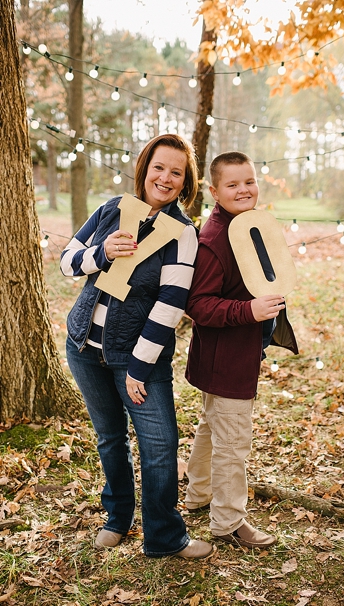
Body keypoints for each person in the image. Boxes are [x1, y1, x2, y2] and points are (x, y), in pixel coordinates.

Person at [61, 133, 213, 559]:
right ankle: (118, 517)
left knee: (160, 444)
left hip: (137, 356)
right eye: (158, 167)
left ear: (185, 183)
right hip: (83, 346)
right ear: (145, 167)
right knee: (110, 437)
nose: (164, 177)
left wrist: (139, 368)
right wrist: (101, 252)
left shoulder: (183, 234)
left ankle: (164, 535)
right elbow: (67, 261)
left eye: (176, 173)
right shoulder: (112, 210)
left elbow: (170, 305)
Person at [184, 151, 298, 548]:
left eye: (248, 181)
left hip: (236, 354)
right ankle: (228, 523)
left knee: (213, 426)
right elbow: (197, 304)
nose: (243, 189)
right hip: (225, 358)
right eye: (232, 184)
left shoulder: (248, 227)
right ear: (214, 191)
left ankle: (197, 494)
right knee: (233, 441)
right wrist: (248, 310)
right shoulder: (214, 239)